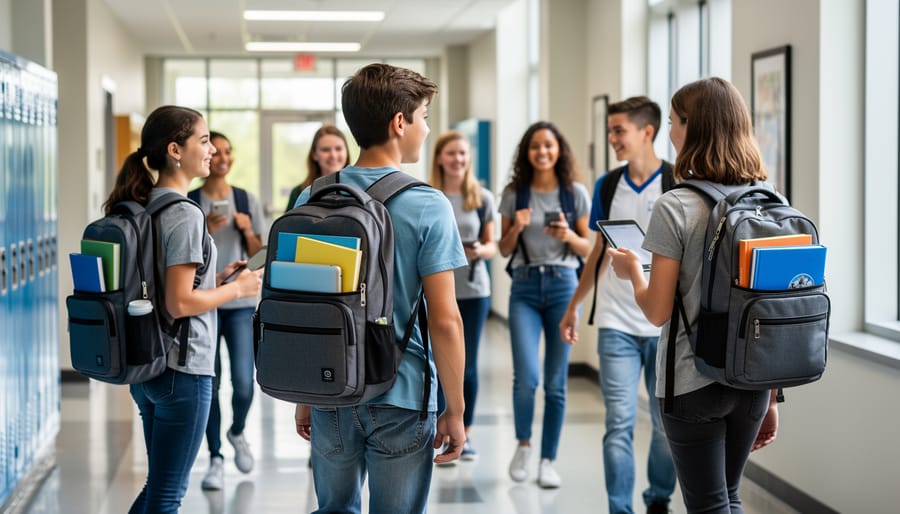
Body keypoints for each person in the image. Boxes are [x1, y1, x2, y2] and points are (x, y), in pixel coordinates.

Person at [292, 63, 468, 514]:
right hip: (402, 392)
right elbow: (446, 320)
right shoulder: (427, 204)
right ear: (399, 122)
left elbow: (303, 305)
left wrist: (305, 394)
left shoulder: (312, 197)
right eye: (424, 117)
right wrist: (455, 408)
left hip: (330, 385)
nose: (426, 128)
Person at [608, 77, 779, 513]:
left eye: (673, 122)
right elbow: (772, 307)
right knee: (730, 496)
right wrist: (771, 396)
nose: (669, 132)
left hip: (691, 382)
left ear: (692, 128)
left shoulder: (676, 205)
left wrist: (632, 273)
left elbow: (657, 311)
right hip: (752, 381)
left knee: (708, 504)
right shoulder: (770, 200)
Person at [103, 105, 262, 513]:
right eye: (204, 141)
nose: (212, 151)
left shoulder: (145, 204)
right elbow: (178, 303)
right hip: (183, 370)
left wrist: (215, 280)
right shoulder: (186, 213)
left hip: (149, 365)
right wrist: (239, 288)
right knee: (167, 495)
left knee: (157, 488)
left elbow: (164, 285)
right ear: (175, 150)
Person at [559, 96, 676, 514]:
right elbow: (597, 251)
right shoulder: (608, 185)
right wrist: (574, 305)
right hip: (616, 321)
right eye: (610, 131)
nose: (612, 139)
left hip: (664, 325)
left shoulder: (676, 183)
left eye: (619, 131)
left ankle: (658, 497)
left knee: (665, 428)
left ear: (648, 132)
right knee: (618, 424)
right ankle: (619, 509)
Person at [498, 121, 591, 488]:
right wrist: (517, 227)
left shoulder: (574, 194)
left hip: (564, 286)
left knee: (555, 383)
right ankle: (524, 444)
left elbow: (588, 248)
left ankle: (548, 460)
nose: (542, 152)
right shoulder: (514, 194)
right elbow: (503, 249)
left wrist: (568, 234)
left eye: (549, 146)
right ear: (527, 152)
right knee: (526, 378)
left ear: (559, 150)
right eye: (535, 146)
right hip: (524, 287)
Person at [187, 131, 267, 490]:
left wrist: (247, 230)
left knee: (244, 382)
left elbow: (260, 254)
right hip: (203, 302)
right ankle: (216, 456)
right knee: (211, 382)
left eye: (227, 151)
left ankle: (237, 431)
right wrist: (202, 228)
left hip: (240, 304)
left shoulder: (245, 200)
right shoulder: (190, 201)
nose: (222, 157)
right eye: (215, 151)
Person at [429, 130, 497, 461]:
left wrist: (480, 250)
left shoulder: (481, 197)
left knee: (466, 366)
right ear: (440, 158)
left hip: (473, 291)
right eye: (451, 153)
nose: (458, 159)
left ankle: (464, 433)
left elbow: (492, 244)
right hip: (436, 292)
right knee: (437, 362)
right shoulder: (429, 196)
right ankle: (438, 428)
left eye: (463, 153)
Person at [285, 125, 351, 211]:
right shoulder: (299, 192)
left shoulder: (358, 189)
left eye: (338, 149)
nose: (333, 155)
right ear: (314, 155)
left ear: (346, 152)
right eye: (326, 149)